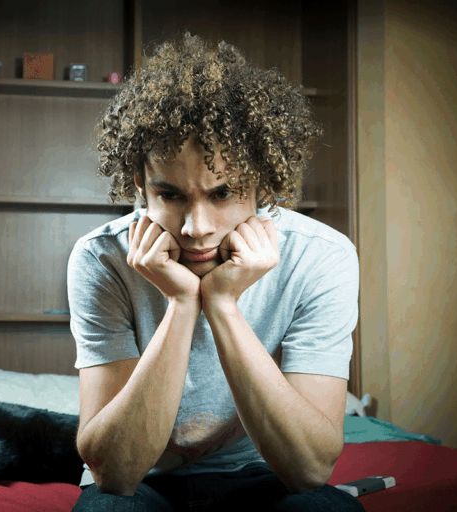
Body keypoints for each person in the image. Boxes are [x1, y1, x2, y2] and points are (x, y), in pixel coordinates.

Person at [66, 34, 364, 511]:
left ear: (262, 184)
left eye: (223, 193)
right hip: (147, 479)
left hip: (266, 474)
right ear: (140, 183)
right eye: (170, 194)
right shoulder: (101, 260)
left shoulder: (321, 257)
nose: (196, 228)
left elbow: (310, 469)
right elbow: (115, 473)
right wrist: (182, 303)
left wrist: (223, 305)